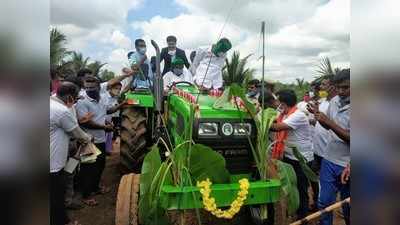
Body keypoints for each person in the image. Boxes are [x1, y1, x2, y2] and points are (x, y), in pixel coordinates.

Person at [75, 76, 125, 206]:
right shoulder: (82, 102)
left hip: (101, 139)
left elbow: (106, 111)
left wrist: (122, 105)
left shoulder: (101, 99)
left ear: (98, 87)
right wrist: (104, 126)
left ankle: (95, 188)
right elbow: (86, 123)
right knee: (88, 169)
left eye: (92, 87)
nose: (89, 90)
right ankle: (86, 195)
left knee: (100, 165)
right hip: (88, 141)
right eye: (87, 88)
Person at [309, 69, 350, 225]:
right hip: (329, 159)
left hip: (348, 164)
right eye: (338, 87)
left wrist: (330, 123)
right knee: (324, 203)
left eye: (345, 87)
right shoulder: (334, 101)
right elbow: (328, 127)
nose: (340, 91)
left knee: (348, 207)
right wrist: (319, 117)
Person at [50, 82, 92, 225]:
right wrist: (88, 138)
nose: (75, 101)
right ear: (69, 97)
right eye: (75, 98)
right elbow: (78, 133)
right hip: (53, 164)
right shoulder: (61, 111)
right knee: (56, 197)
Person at [270, 89, 314, 220]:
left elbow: (277, 127)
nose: (276, 103)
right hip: (289, 156)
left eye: (278, 100)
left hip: (301, 158)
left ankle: (303, 217)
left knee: (301, 188)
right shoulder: (284, 114)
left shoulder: (298, 115)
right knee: (291, 187)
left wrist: (260, 121)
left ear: (284, 102)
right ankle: (296, 212)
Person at [308, 75, 337, 210]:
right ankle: (317, 200)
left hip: (329, 150)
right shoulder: (323, 102)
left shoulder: (335, 104)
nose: (321, 88)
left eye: (324, 85)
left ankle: (331, 205)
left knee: (331, 182)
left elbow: (333, 124)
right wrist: (313, 116)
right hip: (317, 149)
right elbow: (320, 122)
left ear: (333, 86)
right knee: (313, 175)